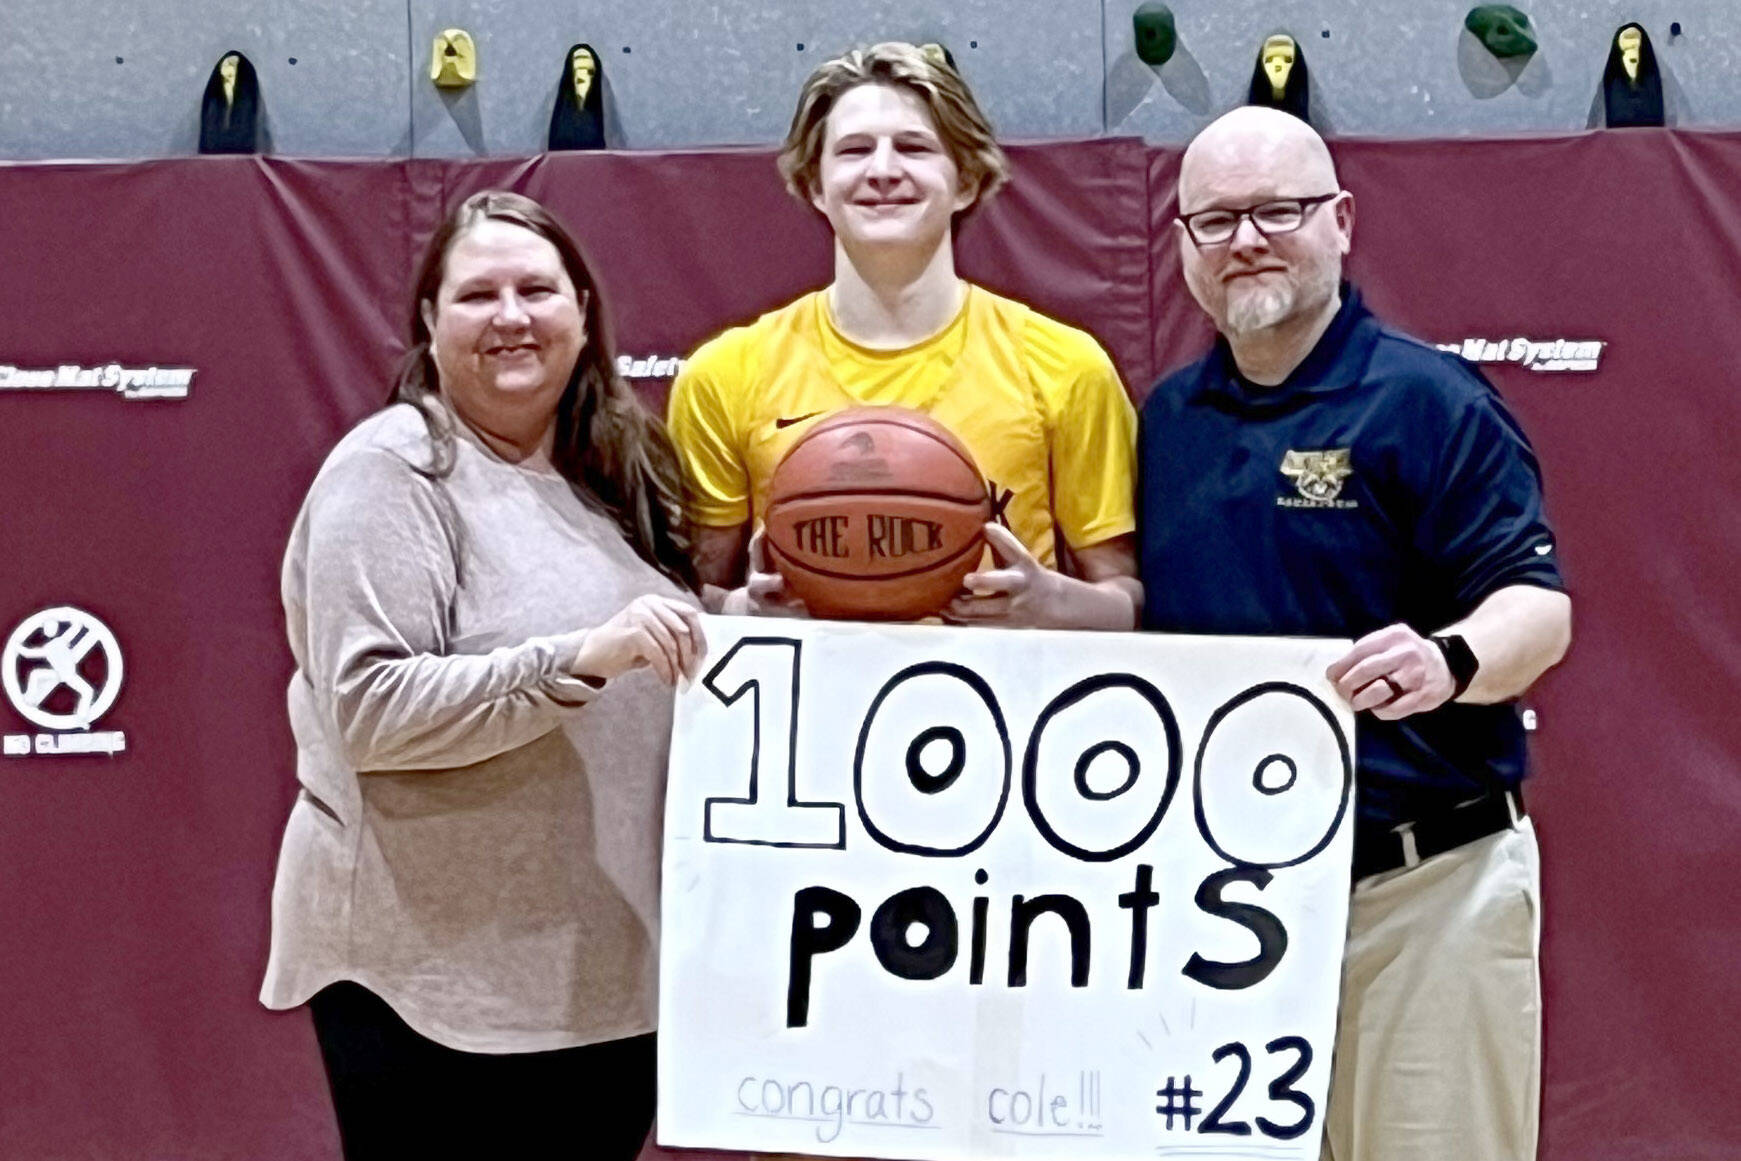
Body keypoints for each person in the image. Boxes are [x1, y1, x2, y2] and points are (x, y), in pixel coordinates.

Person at [1139, 106, 1572, 1161]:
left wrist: (1449, 659)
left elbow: (1537, 605)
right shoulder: (1169, 420)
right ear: (1184, 243)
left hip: (1424, 890)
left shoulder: (1428, 402)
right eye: (1215, 220)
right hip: (1229, 902)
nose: (1246, 240)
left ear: (1339, 220)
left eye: (1276, 211)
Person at [260, 191, 705, 1160]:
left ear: (583, 313)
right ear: (429, 322)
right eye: (477, 295)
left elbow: (669, 650)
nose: (511, 315)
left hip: (600, 979)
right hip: (432, 982)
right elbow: (372, 713)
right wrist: (579, 658)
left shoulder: (611, 472)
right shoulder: (391, 472)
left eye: (538, 289)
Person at [667, 42, 1141, 630]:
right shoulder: (725, 373)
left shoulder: (1066, 364)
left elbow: (1125, 600)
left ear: (966, 181)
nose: (883, 170)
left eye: (914, 147)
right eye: (854, 150)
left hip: (1002, 707)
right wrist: (745, 607)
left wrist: (1050, 603)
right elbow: (692, 594)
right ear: (815, 185)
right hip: (811, 706)